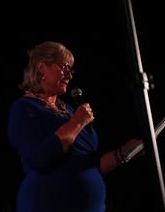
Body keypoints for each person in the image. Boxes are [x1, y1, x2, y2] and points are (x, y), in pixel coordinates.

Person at [8, 41, 140, 212]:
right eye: (64, 68)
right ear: (41, 67)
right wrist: (78, 122)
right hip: (48, 203)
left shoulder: (69, 110)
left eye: (71, 70)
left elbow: (89, 164)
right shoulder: (24, 108)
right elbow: (40, 158)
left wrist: (122, 154)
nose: (69, 76)